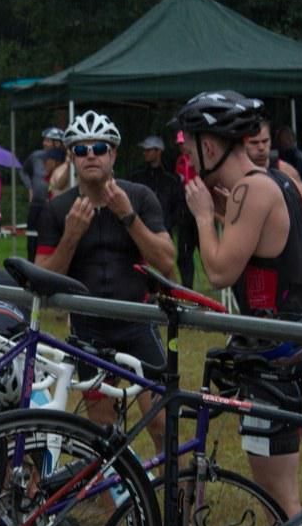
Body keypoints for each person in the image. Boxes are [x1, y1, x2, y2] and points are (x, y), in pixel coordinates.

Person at [174, 90, 302, 526]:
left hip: (274, 358)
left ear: (210, 144)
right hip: (272, 352)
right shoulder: (268, 183)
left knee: (282, 501)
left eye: (191, 146)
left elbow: (219, 271)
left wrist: (205, 216)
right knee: (279, 496)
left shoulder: (255, 189)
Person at [35, 110, 175, 455]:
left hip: (137, 323)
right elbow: (42, 279)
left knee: (161, 420)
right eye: (81, 150)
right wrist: (71, 236)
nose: (91, 156)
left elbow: (166, 261)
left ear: (113, 154)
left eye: (99, 147)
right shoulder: (57, 210)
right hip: (88, 329)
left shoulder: (139, 197)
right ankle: (108, 502)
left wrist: (127, 216)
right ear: (72, 158)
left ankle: (180, 500)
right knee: (100, 425)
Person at [244, 119, 302, 219]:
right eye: (254, 142)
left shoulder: (283, 169)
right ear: (243, 144)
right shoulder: (234, 171)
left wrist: (278, 212)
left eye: (265, 141)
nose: (261, 147)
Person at [129, 135, 184, 242]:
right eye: (144, 150)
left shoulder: (171, 180)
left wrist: (168, 224)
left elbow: (178, 206)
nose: (145, 153)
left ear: (158, 151)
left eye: (148, 150)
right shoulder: (136, 177)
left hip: (165, 232)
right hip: (141, 232)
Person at [24, 128, 64, 261]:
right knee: (32, 240)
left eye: (48, 140)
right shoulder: (36, 156)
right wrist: (30, 188)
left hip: (54, 206)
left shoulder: (65, 160)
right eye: (44, 140)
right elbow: (23, 171)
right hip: (36, 204)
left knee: (49, 240)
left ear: (57, 143)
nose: (44, 143)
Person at [174, 131, 200, 288]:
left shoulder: (198, 159)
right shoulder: (179, 161)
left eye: (184, 143)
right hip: (185, 209)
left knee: (206, 250)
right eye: (180, 144)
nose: (182, 146)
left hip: (199, 206)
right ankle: (187, 287)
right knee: (184, 253)